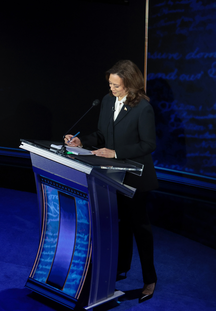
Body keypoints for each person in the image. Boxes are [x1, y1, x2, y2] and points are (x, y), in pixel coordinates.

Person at [64, 59, 158, 303]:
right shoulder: (107, 101)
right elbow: (103, 135)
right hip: (112, 174)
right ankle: (120, 268)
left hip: (136, 177)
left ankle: (150, 279)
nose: (112, 89)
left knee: (139, 227)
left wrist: (115, 153)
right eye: (110, 84)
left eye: (116, 85)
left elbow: (149, 144)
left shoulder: (143, 108)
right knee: (119, 224)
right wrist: (81, 141)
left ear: (129, 84)